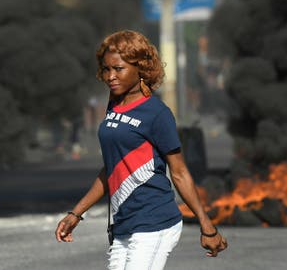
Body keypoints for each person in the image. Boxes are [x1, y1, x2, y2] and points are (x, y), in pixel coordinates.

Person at [55, 30, 227, 269]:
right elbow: (113, 169)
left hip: (154, 221)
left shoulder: (157, 113)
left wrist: (206, 224)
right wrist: (76, 214)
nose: (110, 76)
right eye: (106, 69)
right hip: (123, 222)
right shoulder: (113, 105)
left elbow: (179, 172)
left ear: (141, 69)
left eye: (119, 69)